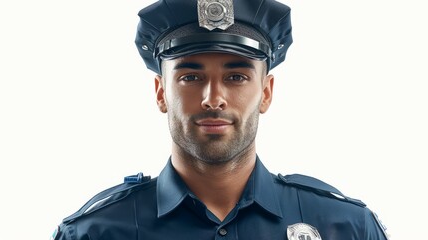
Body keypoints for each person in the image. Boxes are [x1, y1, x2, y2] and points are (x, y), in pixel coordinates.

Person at [51, 0, 389, 239]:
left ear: (266, 92)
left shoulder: (344, 227)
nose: (213, 99)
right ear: (160, 93)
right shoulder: (95, 232)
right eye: (191, 77)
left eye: (236, 77)